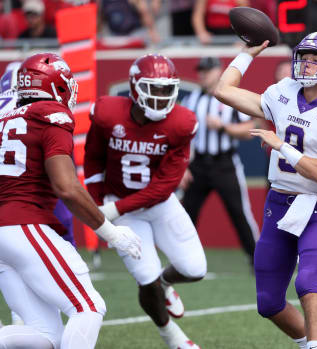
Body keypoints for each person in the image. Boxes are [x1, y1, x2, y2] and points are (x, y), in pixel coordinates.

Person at [214, 31, 317, 349]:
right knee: (268, 303)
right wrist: (247, 54)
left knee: (308, 283)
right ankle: (306, 344)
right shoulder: (282, 92)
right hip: (279, 203)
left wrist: (281, 146)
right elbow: (223, 90)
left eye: (316, 60)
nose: (307, 64)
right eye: (305, 57)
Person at [0, 53, 141, 349]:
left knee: (45, 335)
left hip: (5, 231)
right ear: (57, 87)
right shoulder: (52, 114)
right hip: (24, 224)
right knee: (89, 307)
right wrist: (112, 233)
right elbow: (67, 187)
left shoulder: (6, 119)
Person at [84, 54, 205, 349]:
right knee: (146, 278)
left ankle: (166, 284)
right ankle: (171, 335)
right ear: (135, 87)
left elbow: (164, 187)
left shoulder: (181, 122)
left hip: (158, 205)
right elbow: (93, 159)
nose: (162, 96)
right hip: (122, 204)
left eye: (167, 89)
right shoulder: (107, 112)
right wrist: (99, 202)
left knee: (194, 269)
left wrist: (108, 211)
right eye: (155, 88)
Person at [180, 56, 259, 264]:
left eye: (207, 70)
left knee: (240, 213)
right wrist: (183, 166)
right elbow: (182, 136)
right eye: (201, 71)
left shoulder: (229, 98)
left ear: (219, 72)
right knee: (187, 214)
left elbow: (249, 130)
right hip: (198, 165)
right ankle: (184, 260)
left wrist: (223, 127)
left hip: (224, 164)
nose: (203, 75)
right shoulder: (191, 99)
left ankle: (257, 259)